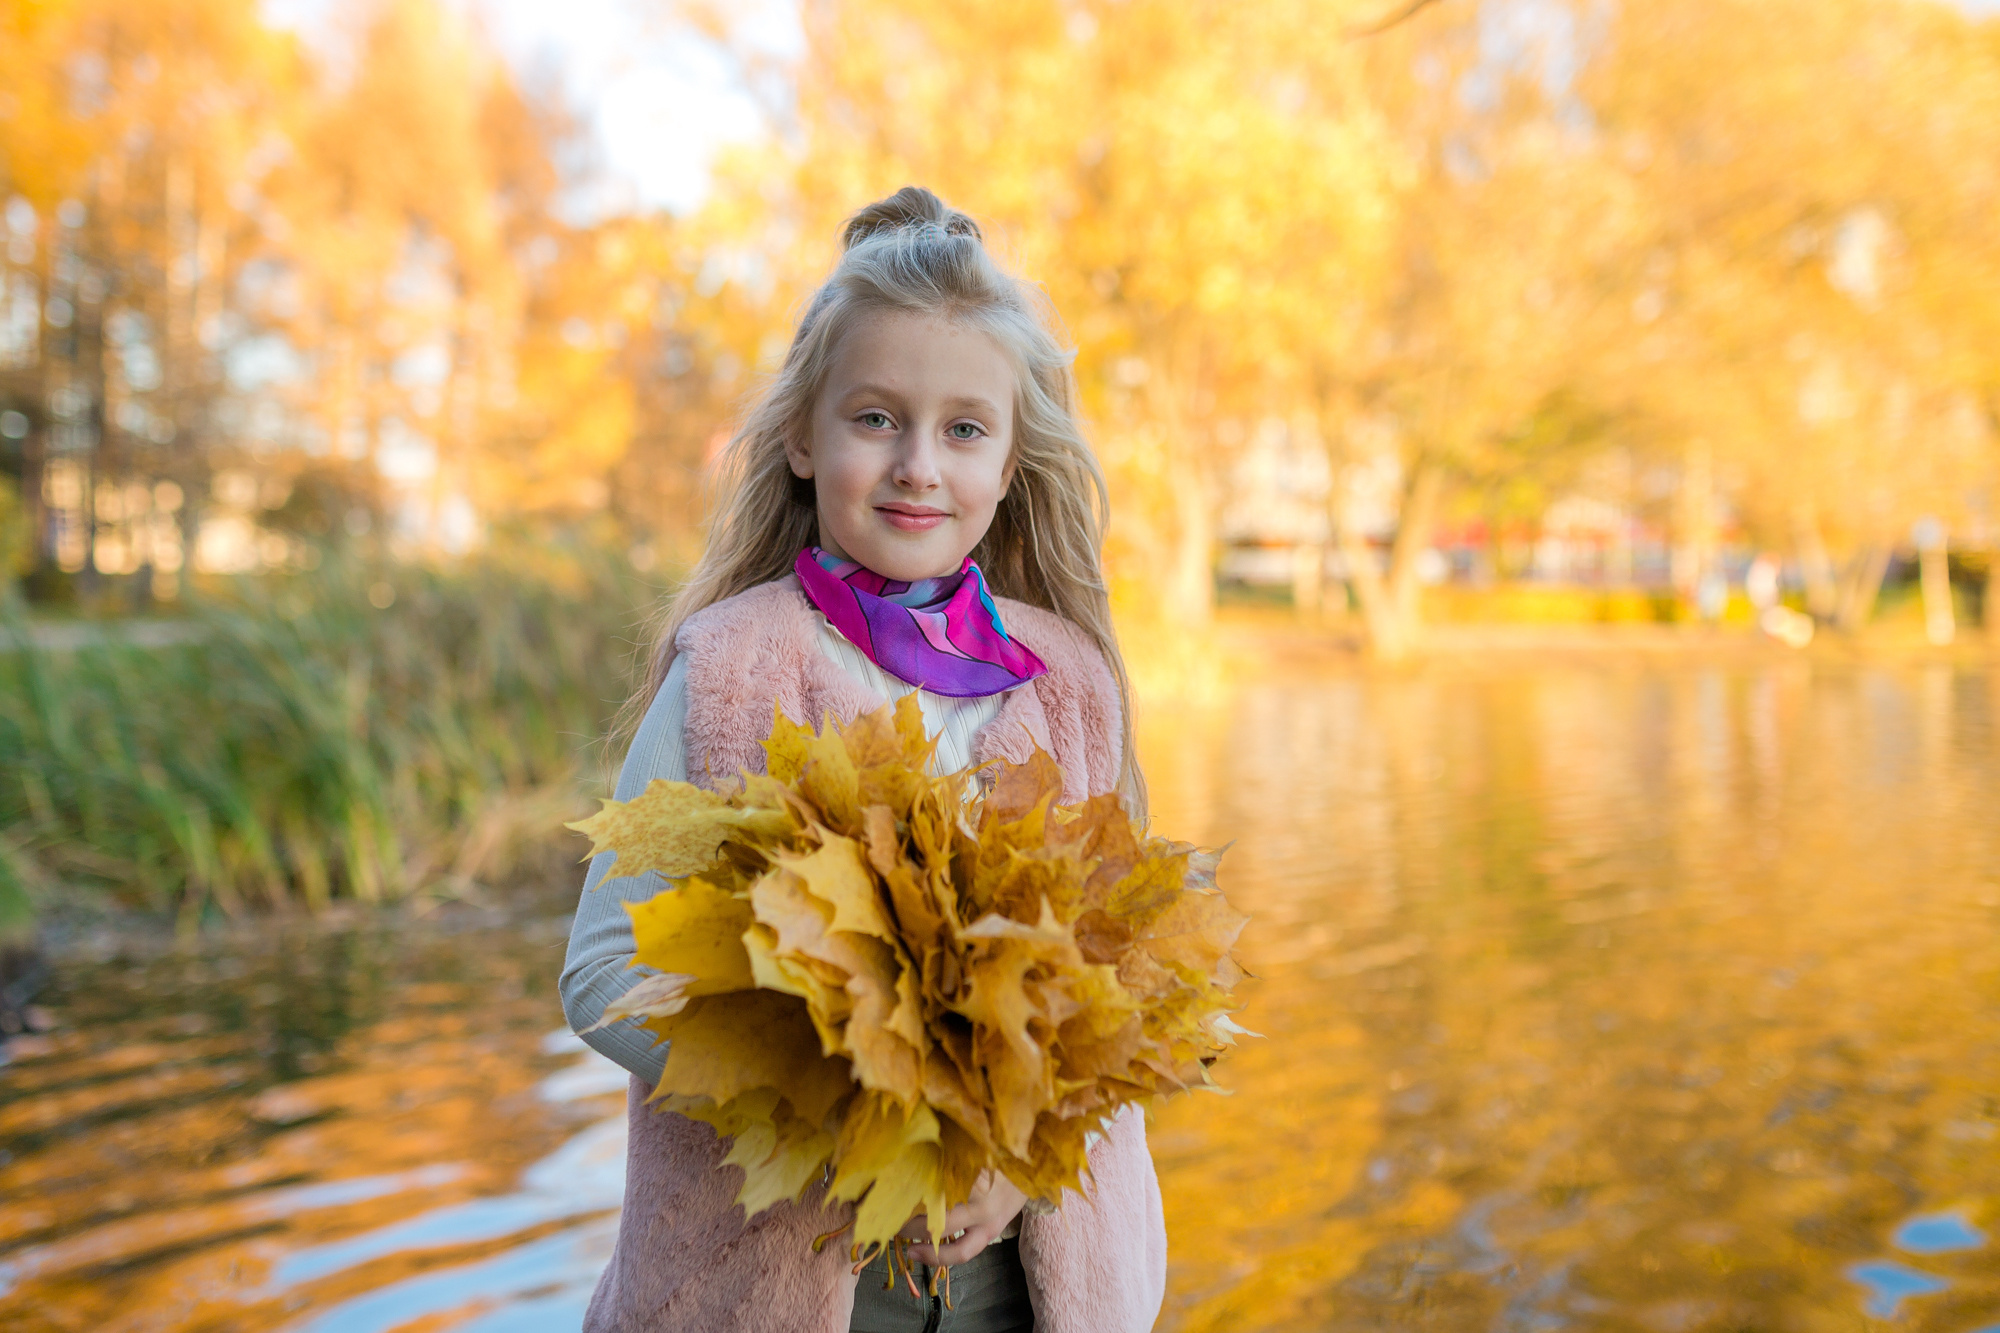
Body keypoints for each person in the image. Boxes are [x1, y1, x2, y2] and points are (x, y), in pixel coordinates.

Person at [560, 187, 1167, 1333]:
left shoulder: (1069, 682)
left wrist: (1014, 1147)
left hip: (1028, 1273)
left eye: (963, 429)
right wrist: (856, 1109)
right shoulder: (736, 670)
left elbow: (1117, 984)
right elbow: (601, 971)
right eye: (875, 418)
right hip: (790, 1276)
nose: (917, 466)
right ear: (803, 436)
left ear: (1007, 461)